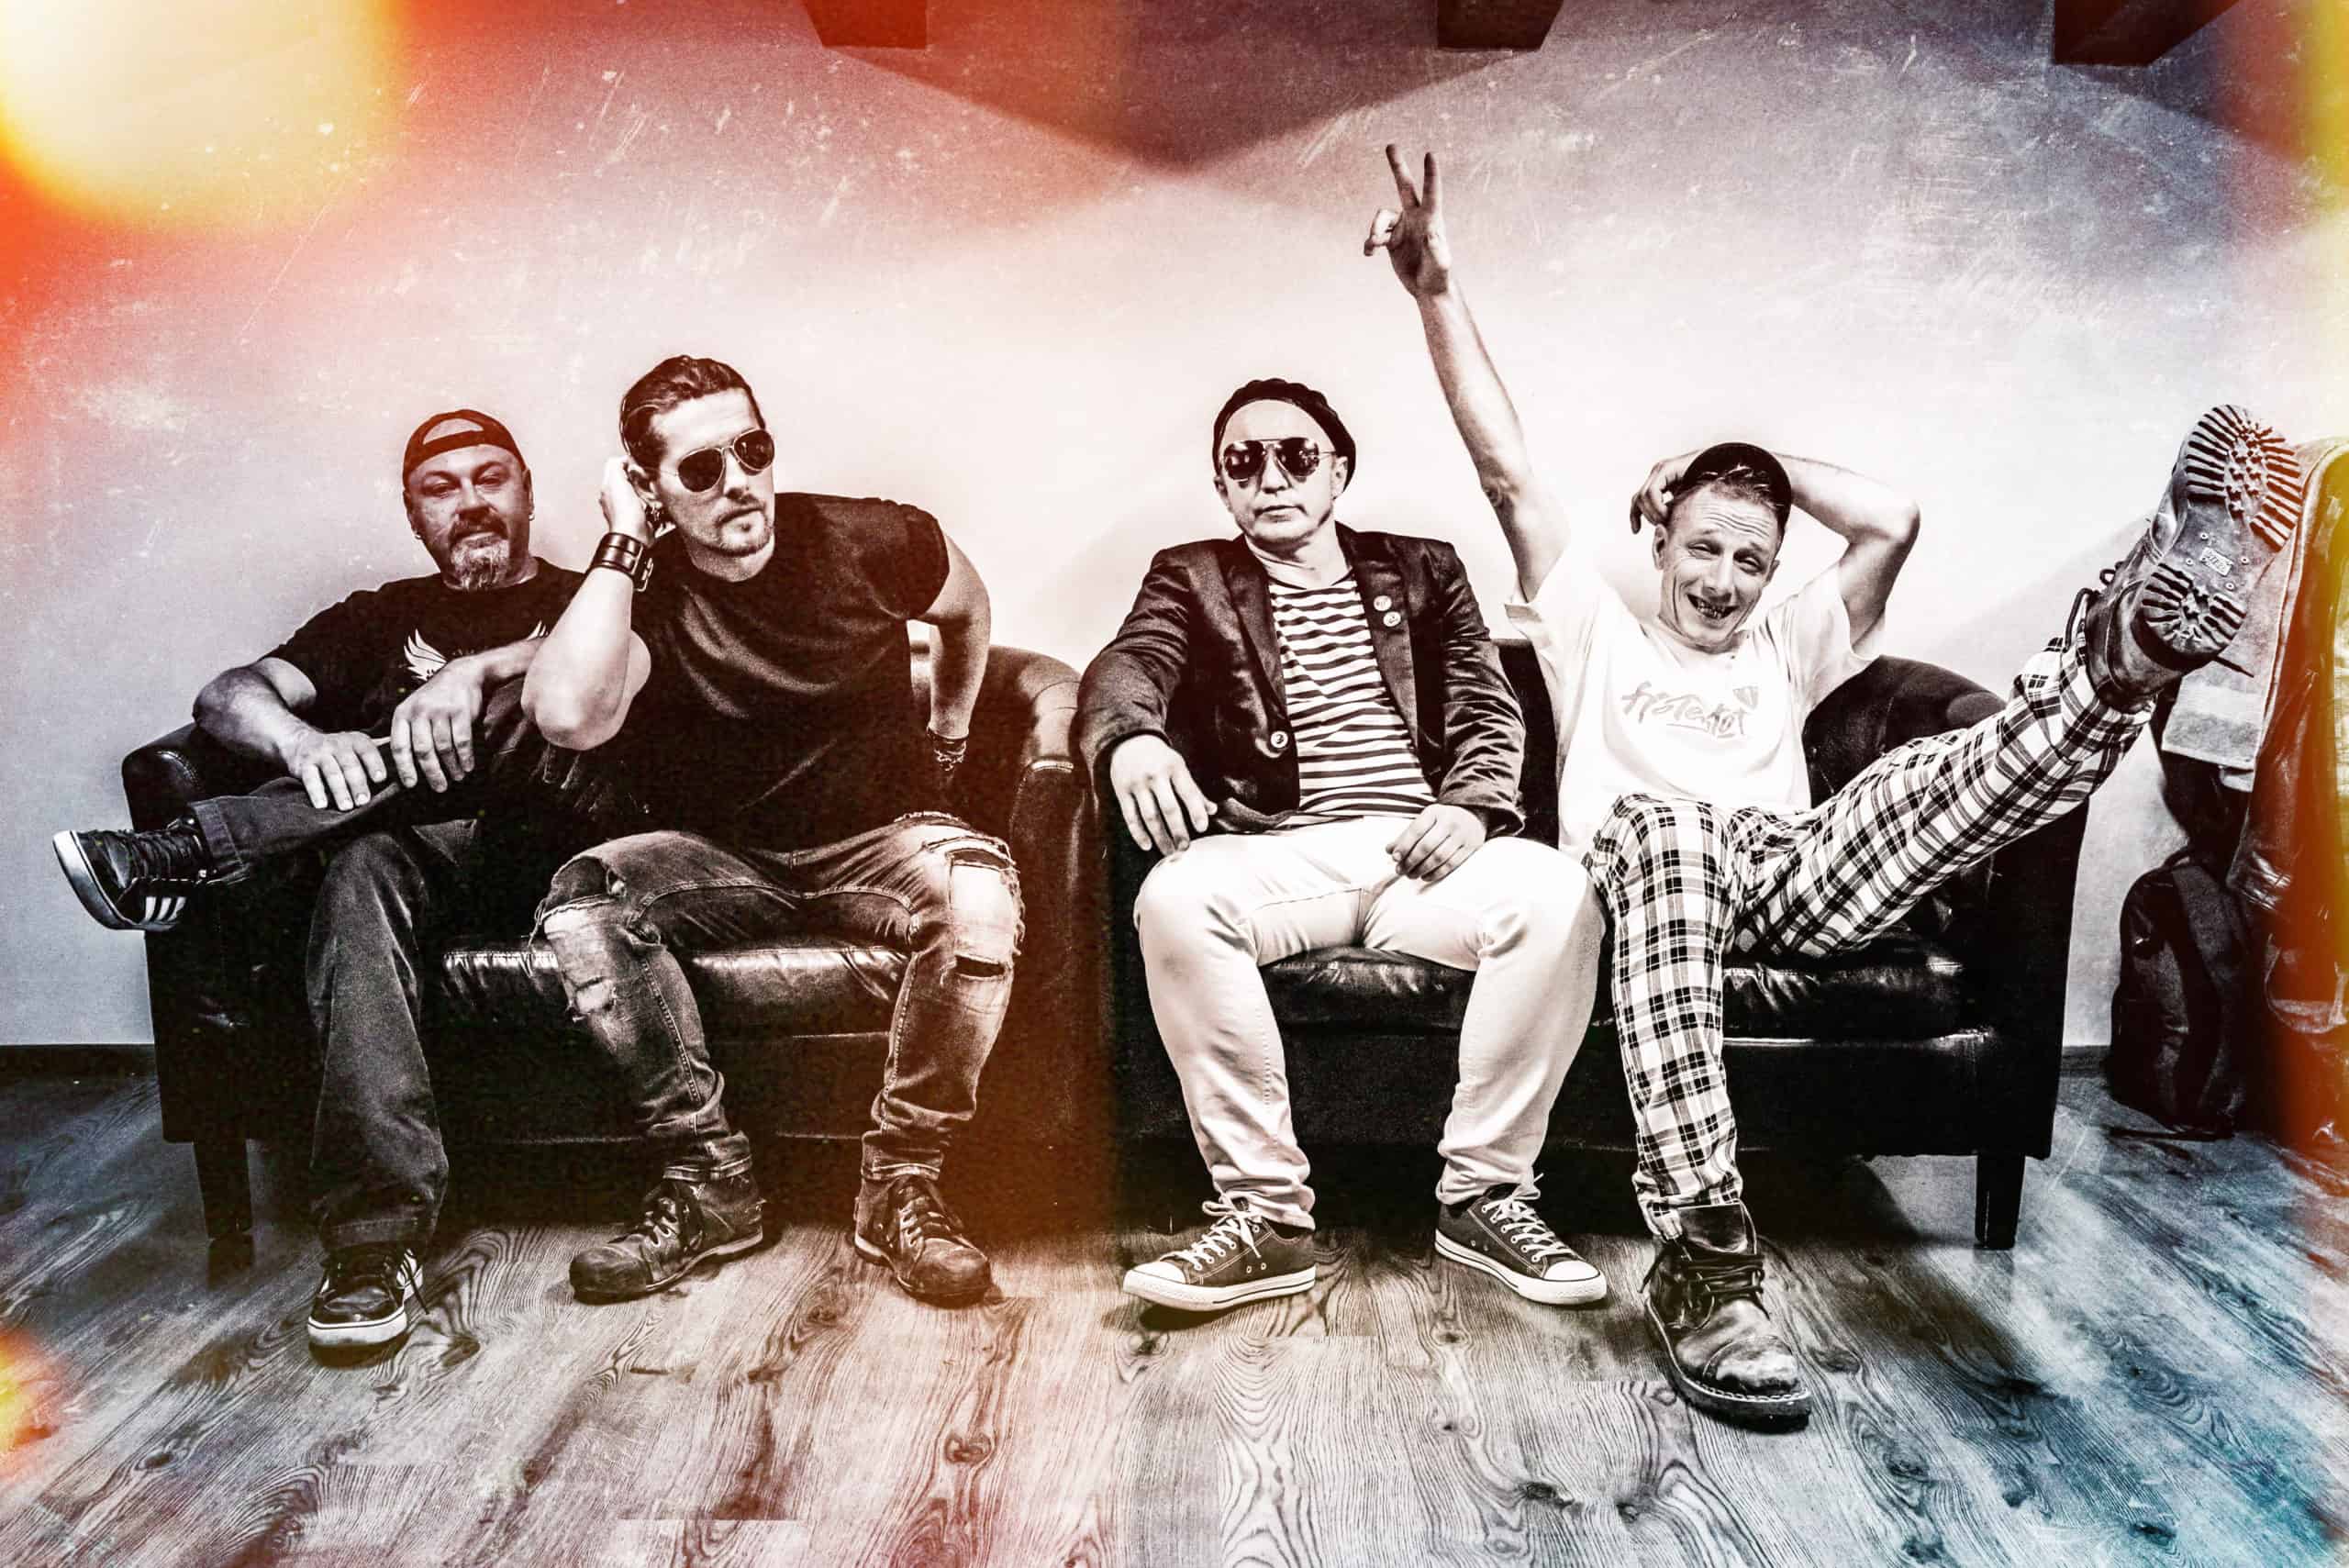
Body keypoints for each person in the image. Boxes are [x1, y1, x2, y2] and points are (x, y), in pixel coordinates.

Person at [1370, 145, 2306, 1423]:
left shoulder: (1787, 640)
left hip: (1790, 875)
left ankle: (2122, 656)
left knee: (1928, 780)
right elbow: (1508, 472)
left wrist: (1739, 454)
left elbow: (1891, 519)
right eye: (1703, 547)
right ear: (1658, 538)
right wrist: (1436, 289)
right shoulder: (1593, 628)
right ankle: (1706, 1261)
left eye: (1750, 560)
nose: (1723, 580)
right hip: (1650, 880)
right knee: (1667, 830)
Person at [53, 410, 596, 1354]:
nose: (470, 501)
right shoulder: (377, 617)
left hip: (547, 847)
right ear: (414, 514)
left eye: (490, 476)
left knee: (514, 710)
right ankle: (373, 1244)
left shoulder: (588, 597)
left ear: (526, 490)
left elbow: (621, 663)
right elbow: (226, 696)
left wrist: (474, 674)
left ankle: (195, 845)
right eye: (441, 486)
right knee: (359, 867)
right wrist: (306, 746)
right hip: (412, 866)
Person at [1074, 376, 1608, 1314]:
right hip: (1282, 853)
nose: (1271, 477)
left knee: (1561, 895)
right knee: (1174, 897)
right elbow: (1130, 662)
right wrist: (1131, 739)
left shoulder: (1424, 568)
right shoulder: (1190, 577)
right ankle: (1265, 1216)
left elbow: (1488, 706)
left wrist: (1473, 808)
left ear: (1338, 471)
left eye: (1296, 455)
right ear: (1223, 486)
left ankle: (1484, 1197)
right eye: (1244, 462)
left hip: (1423, 849)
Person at [519, 354, 1021, 1308]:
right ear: (651, 489)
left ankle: (901, 1185)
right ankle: (710, 1182)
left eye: (751, 449)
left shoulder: (876, 538)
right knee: (586, 901)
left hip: (875, 839)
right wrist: (623, 542)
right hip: (722, 856)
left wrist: (950, 733)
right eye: (699, 468)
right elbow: (568, 716)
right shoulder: (642, 586)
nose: (739, 481)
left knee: (979, 896)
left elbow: (967, 606)